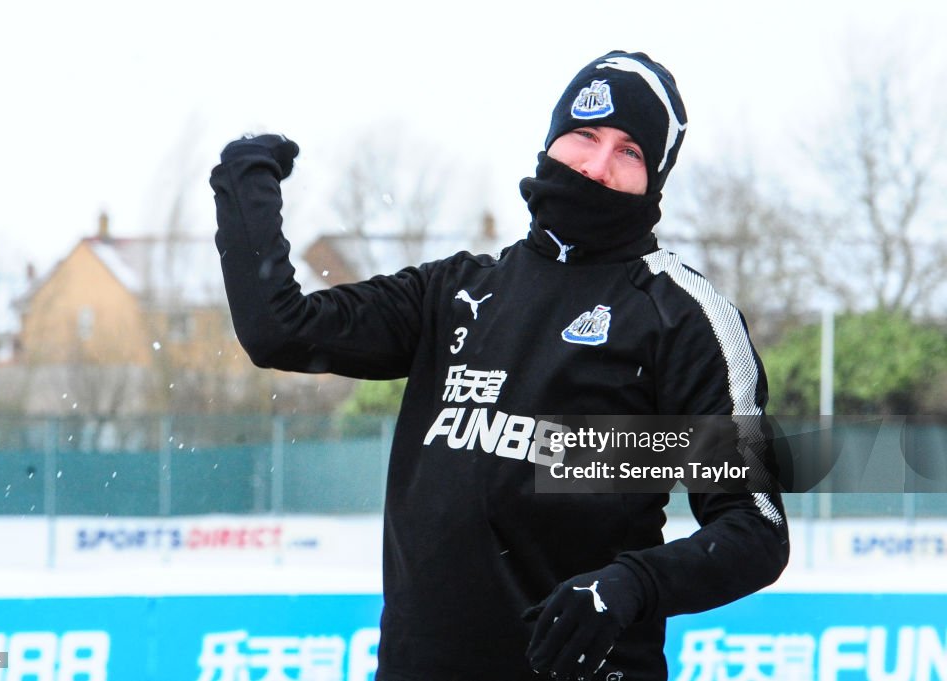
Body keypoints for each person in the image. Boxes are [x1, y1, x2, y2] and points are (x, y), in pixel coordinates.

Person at [211, 49, 789, 681]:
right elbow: (279, 330)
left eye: (629, 152)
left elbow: (753, 530)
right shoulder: (454, 294)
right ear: (550, 143)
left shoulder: (680, 315)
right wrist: (246, 184)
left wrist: (632, 584)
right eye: (586, 136)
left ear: (656, 177)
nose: (598, 166)